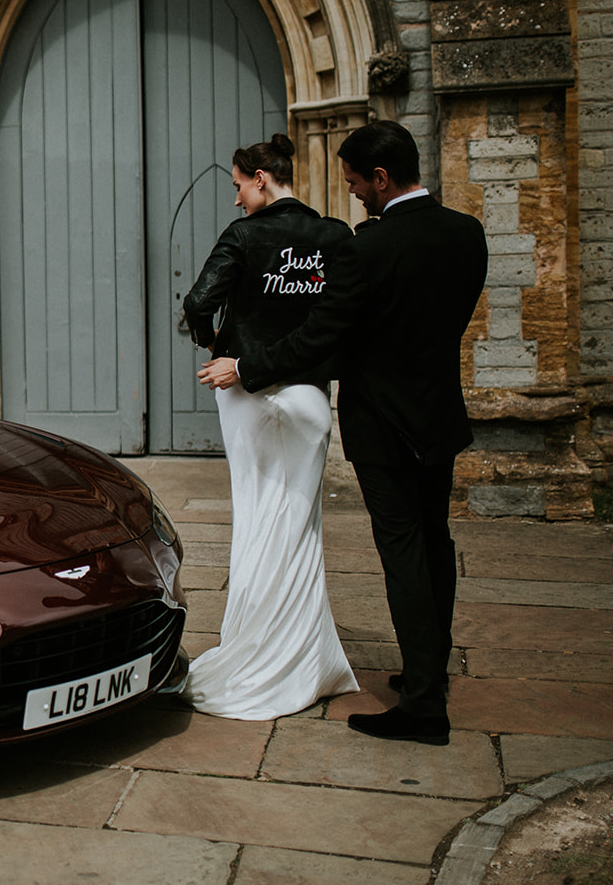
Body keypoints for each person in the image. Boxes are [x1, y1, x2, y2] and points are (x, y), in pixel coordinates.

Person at [197, 120, 487, 746]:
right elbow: (448, 322)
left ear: (381, 177)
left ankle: (424, 708)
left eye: (356, 182)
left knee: (403, 548)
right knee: (435, 541)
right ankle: (425, 667)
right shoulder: (467, 234)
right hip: (437, 412)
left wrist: (245, 366)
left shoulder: (369, 247)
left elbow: (320, 334)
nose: (353, 193)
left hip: (381, 420)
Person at [177, 133, 360, 720]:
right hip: (307, 393)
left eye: (237, 186)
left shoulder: (245, 235)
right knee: (300, 525)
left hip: (244, 390)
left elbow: (198, 299)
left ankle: (253, 657)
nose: (235, 200)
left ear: (260, 177)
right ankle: (306, 661)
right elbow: (337, 320)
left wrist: (216, 344)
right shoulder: (334, 235)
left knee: (256, 517)